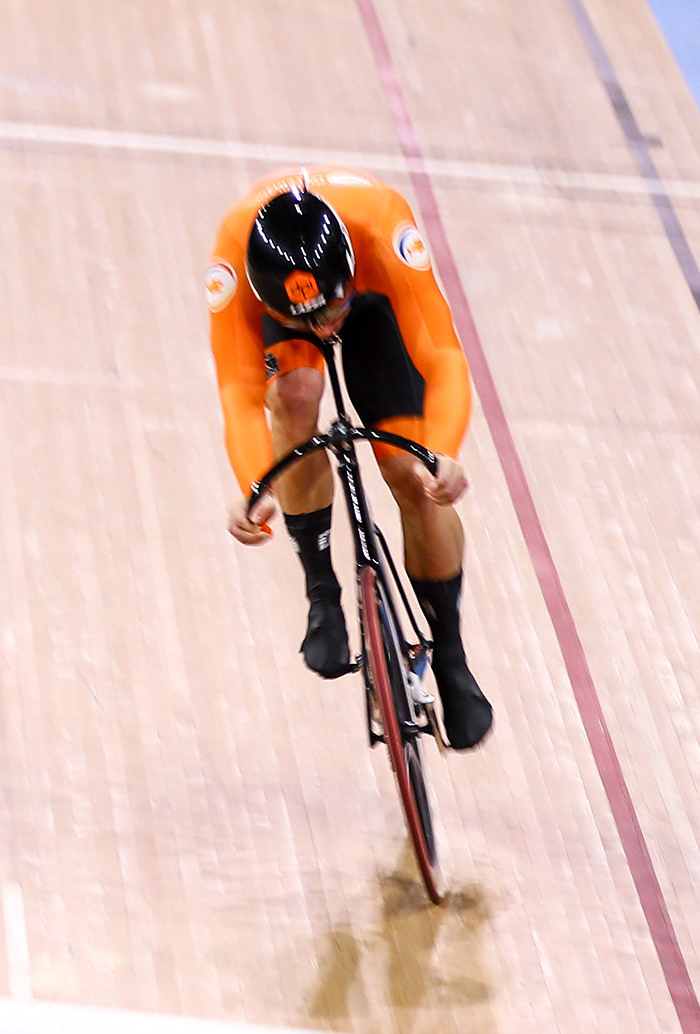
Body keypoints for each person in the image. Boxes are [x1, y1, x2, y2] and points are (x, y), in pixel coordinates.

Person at [206, 166, 492, 748]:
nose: (325, 327)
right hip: (294, 329)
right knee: (292, 395)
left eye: (330, 309)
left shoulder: (383, 226)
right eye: (309, 319)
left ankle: (452, 656)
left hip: (376, 306)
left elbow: (442, 356)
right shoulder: (231, 269)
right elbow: (238, 395)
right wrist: (256, 486)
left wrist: (442, 452)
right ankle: (321, 593)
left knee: (413, 479)